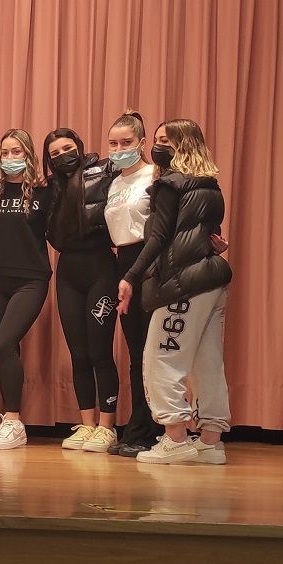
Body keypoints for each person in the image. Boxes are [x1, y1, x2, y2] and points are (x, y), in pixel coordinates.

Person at [118, 119, 233, 465]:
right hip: (212, 281)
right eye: (156, 140)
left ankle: (175, 438)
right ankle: (211, 442)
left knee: (161, 359)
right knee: (207, 361)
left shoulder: (170, 185)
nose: (158, 147)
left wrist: (131, 277)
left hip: (182, 284)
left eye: (165, 141)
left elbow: (158, 238)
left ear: (184, 144)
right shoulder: (210, 185)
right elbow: (210, 236)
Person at [44, 129, 123, 452]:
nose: (63, 156)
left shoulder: (104, 171)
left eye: (67, 148)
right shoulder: (51, 186)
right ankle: (87, 424)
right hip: (68, 271)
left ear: (79, 147)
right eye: (55, 153)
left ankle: (107, 427)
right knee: (78, 353)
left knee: (99, 351)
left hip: (101, 268)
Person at [0, 129, 53, 450]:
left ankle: (13, 421)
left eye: (17, 152)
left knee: (4, 342)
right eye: (6, 152)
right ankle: (10, 419)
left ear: (29, 156)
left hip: (31, 279)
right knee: (4, 349)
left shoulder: (44, 191)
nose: (11, 158)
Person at [102, 111, 159, 457]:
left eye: (126, 142)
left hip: (149, 262)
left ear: (142, 142)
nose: (119, 149)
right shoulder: (113, 182)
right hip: (122, 260)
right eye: (113, 143)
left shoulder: (154, 175)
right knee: (136, 352)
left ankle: (154, 430)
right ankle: (138, 428)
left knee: (153, 352)